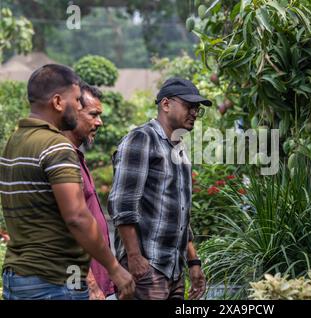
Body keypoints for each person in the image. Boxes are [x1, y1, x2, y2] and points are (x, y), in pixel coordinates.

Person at [0, 64, 134, 300]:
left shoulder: (15, 141)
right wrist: (114, 268)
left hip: (19, 277)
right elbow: (77, 217)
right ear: (58, 102)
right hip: (54, 281)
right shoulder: (56, 146)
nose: (79, 106)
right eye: (77, 101)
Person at [108, 77, 209, 300]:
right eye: (189, 106)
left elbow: (182, 214)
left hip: (173, 268)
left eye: (197, 109)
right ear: (165, 104)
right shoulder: (142, 139)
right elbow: (122, 204)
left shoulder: (179, 148)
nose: (194, 112)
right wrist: (134, 257)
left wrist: (193, 262)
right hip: (147, 267)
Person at [62, 82, 115, 300]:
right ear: (73, 111)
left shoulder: (76, 156)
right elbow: (69, 226)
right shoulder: (62, 159)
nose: (99, 122)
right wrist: (90, 283)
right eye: (93, 114)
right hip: (81, 285)